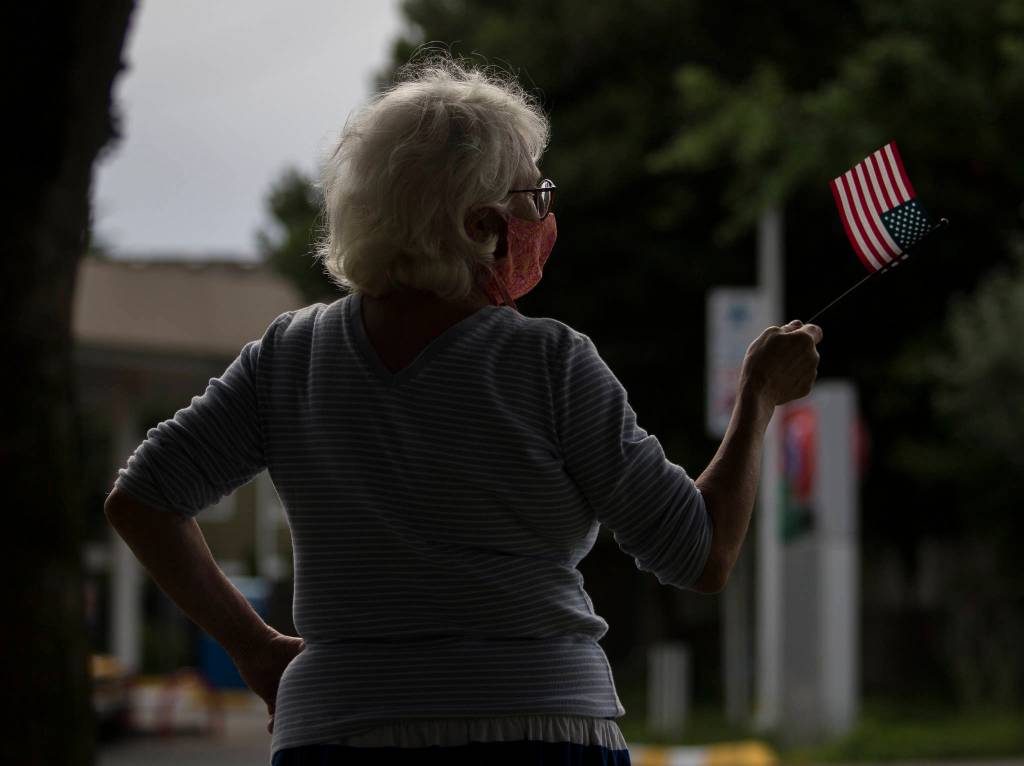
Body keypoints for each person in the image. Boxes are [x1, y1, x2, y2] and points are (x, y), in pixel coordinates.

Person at [106, 54, 822, 766]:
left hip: (335, 730)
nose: (544, 218)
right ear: (482, 225)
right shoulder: (549, 364)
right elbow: (701, 553)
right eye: (533, 198)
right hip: (539, 730)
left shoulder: (291, 356)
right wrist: (757, 396)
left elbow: (143, 500)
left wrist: (256, 650)